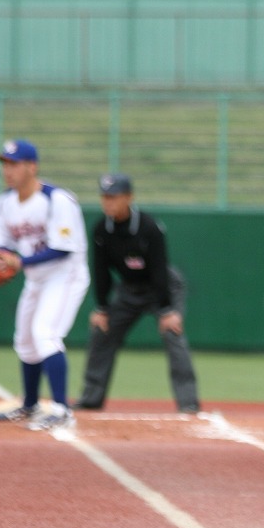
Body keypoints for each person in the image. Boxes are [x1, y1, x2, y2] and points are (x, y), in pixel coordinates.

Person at [74, 173, 202, 415]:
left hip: (162, 287)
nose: (108, 202)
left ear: (129, 198)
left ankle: (189, 403)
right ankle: (91, 399)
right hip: (129, 289)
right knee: (101, 333)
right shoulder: (102, 229)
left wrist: (167, 311)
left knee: (173, 334)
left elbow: (159, 269)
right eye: (104, 197)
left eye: (114, 197)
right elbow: (101, 271)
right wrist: (102, 308)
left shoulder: (149, 226)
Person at [0, 139, 90, 430]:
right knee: (25, 341)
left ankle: (61, 410)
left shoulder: (57, 199)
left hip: (65, 275)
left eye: (14, 164)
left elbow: (63, 248)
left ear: (32, 167)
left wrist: (18, 262)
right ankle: (30, 405)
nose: (8, 170)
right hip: (36, 278)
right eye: (5, 164)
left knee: (45, 333)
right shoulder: (4, 202)